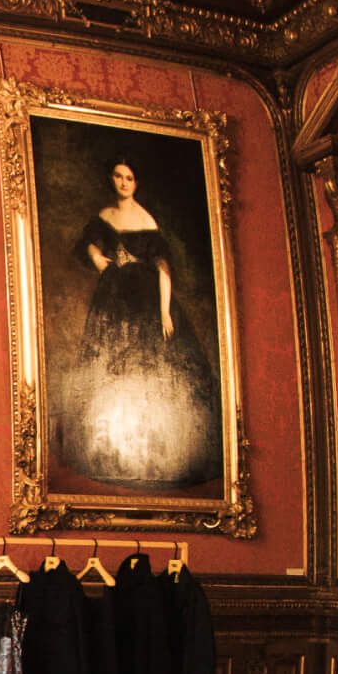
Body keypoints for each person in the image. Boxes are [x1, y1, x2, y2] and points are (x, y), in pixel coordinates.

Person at [67, 162, 221, 487]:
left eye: (130, 177)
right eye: (118, 176)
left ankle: (163, 454)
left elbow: (164, 270)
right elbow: (89, 241)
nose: (124, 182)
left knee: (150, 363)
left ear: (136, 183)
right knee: (111, 363)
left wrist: (164, 311)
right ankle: (109, 453)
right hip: (113, 296)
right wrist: (97, 257)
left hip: (146, 298)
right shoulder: (105, 216)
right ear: (111, 180)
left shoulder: (147, 220)